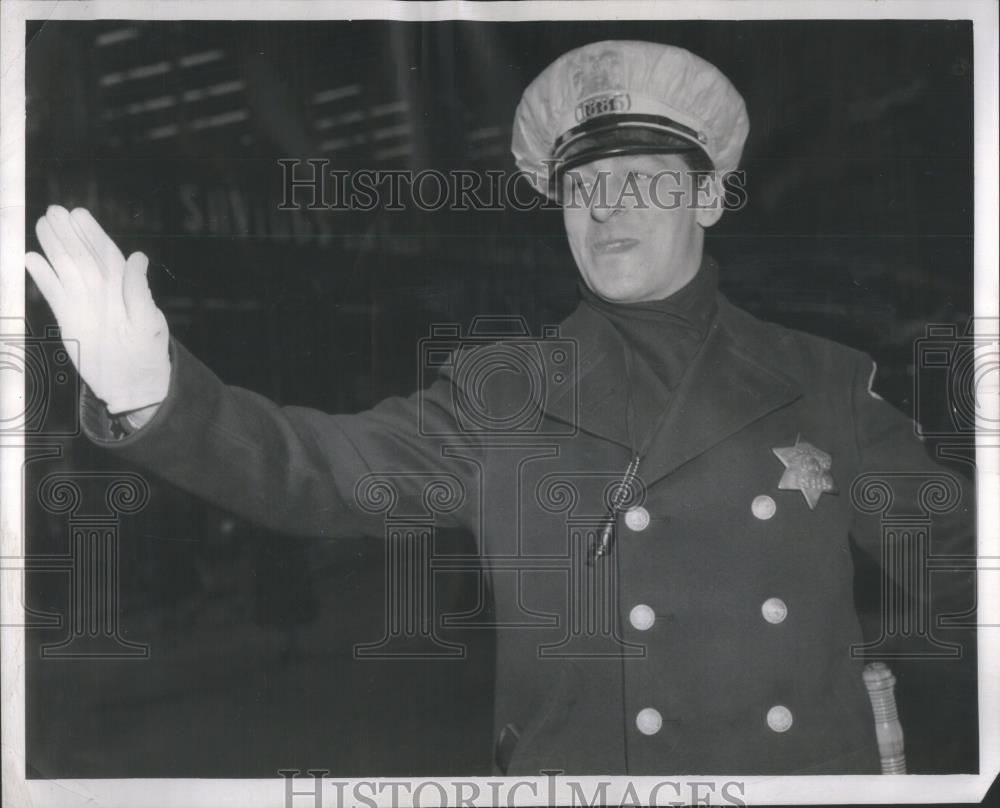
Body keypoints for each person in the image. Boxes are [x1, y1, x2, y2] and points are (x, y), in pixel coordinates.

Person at [24, 40, 974, 775]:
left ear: (712, 197)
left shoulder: (827, 382)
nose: (607, 207)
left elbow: (968, 575)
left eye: (642, 178)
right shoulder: (501, 394)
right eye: (583, 186)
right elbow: (316, 469)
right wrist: (160, 397)